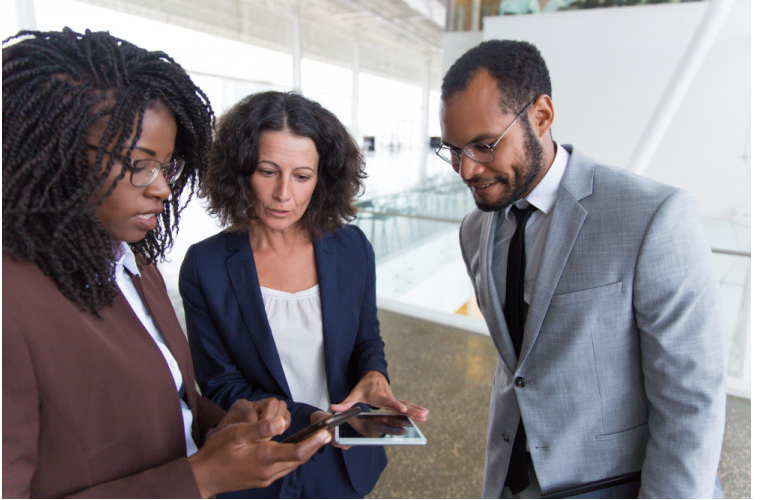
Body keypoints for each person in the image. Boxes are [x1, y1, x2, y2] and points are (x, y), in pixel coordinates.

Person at [2, 28, 330, 499]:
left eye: (167, 166)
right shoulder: (5, 306)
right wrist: (201, 478)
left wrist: (222, 424)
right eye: (140, 165)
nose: (161, 188)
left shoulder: (132, 264)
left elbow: (173, 402)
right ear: (54, 152)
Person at [437, 40, 726, 498]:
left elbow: (691, 404)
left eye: (484, 145)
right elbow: (521, 366)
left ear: (541, 116)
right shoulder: (475, 229)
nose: (466, 170)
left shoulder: (653, 216)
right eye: (453, 150)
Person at [178, 91, 429, 498]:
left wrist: (374, 374)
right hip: (260, 466)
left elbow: (367, 337)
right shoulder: (205, 265)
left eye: (301, 176)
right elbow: (221, 385)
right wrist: (308, 418)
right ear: (239, 170)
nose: (284, 194)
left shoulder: (352, 248)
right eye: (267, 171)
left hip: (346, 462)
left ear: (322, 178)